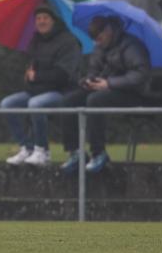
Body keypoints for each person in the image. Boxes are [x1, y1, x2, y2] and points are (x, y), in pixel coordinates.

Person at [60, 16, 150, 174]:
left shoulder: (132, 45)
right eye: (94, 39)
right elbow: (94, 70)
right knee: (68, 100)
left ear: (108, 31)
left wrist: (109, 83)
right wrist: (88, 80)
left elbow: (140, 75)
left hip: (132, 94)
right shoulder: (100, 46)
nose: (96, 43)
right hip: (107, 88)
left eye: (99, 38)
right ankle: (76, 153)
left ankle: (98, 153)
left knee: (95, 100)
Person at [0, 5, 81, 167]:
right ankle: (27, 148)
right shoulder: (36, 40)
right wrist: (30, 77)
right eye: (38, 18)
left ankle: (42, 151)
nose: (41, 21)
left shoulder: (69, 42)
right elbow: (32, 69)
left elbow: (63, 75)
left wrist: (36, 76)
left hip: (63, 92)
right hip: (37, 91)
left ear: (54, 21)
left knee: (35, 104)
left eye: (45, 18)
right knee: (7, 104)